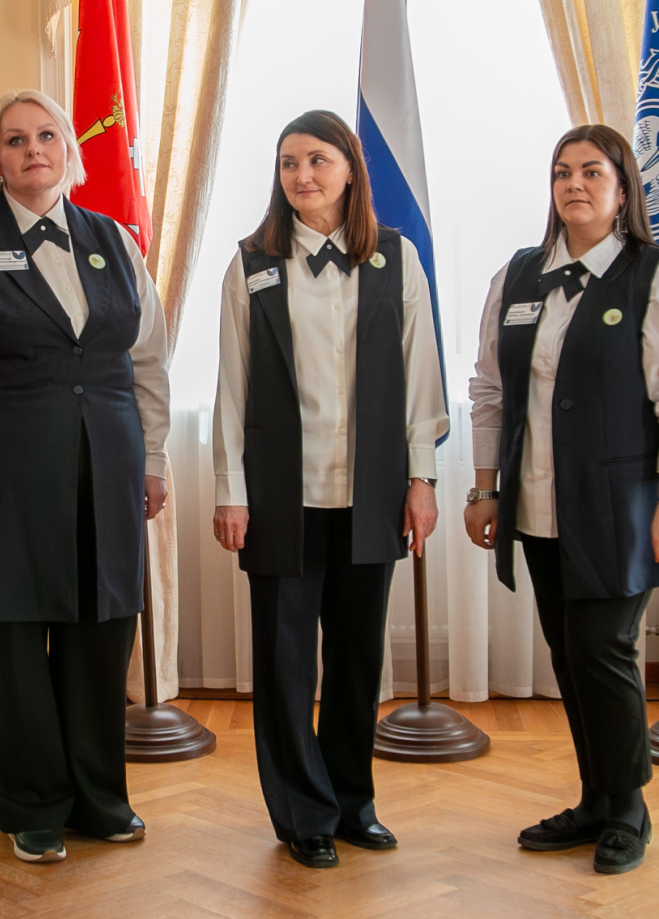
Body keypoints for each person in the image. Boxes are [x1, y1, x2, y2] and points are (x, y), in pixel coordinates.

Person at [0, 89, 169, 865]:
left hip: (105, 469)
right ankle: (30, 805)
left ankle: (98, 797)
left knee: (101, 633)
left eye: (47, 135)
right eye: (14, 139)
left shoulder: (113, 241)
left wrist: (153, 457)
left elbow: (148, 360)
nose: (33, 149)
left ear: (70, 151)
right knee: (15, 640)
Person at [463, 123, 659, 876]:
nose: (574, 184)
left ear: (623, 187)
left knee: (605, 652)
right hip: (537, 504)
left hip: (622, 506)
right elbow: (489, 392)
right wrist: (484, 489)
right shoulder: (518, 276)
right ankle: (596, 800)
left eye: (592, 171)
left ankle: (629, 808)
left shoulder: (657, 276)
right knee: (570, 657)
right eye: (562, 172)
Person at [211, 109, 447, 869]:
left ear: (350, 168)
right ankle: (302, 815)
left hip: (370, 494)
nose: (302, 175)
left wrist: (422, 478)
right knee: (286, 665)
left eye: (317, 159)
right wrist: (230, 489)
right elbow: (232, 389)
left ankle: (352, 804)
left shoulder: (396, 259)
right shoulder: (252, 262)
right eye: (289, 163)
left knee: (357, 660)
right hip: (281, 496)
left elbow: (421, 377)